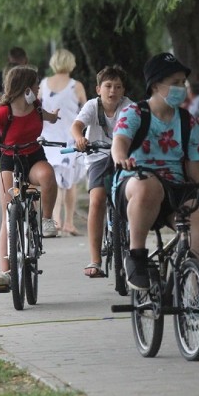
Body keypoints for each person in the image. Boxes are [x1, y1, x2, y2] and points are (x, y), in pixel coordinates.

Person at [112, 53, 199, 291]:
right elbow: (119, 144)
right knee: (149, 185)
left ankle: (196, 292)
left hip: (174, 191)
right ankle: (136, 257)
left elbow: (196, 175)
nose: (182, 88)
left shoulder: (187, 122)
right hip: (135, 184)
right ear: (156, 86)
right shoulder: (135, 113)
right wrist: (121, 160)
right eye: (175, 82)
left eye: (183, 82)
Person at [0, 65, 60, 292]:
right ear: (25, 88)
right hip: (10, 159)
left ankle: (47, 219)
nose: (39, 89)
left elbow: (47, 117)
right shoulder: (3, 112)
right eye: (36, 85)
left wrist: (54, 117)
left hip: (33, 156)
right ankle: (5, 272)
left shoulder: (36, 107)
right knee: (9, 214)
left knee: (47, 175)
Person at [71, 64, 133, 278]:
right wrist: (80, 138)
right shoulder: (91, 106)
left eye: (117, 87)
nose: (112, 91)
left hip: (124, 157)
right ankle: (95, 260)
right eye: (108, 86)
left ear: (123, 90)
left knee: (133, 196)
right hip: (98, 157)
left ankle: (135, 249)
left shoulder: (129, 107)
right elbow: (77, 125)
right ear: (98, 89)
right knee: (97, 200)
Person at [39, 49, 87, 236]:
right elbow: (86, 109)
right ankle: (66, 222)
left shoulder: (44, 84)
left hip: (49, 138)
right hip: (69, 138)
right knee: (69, 182)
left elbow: (37, 107)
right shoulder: (76, 86)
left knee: (54, 180)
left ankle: (56, 219)